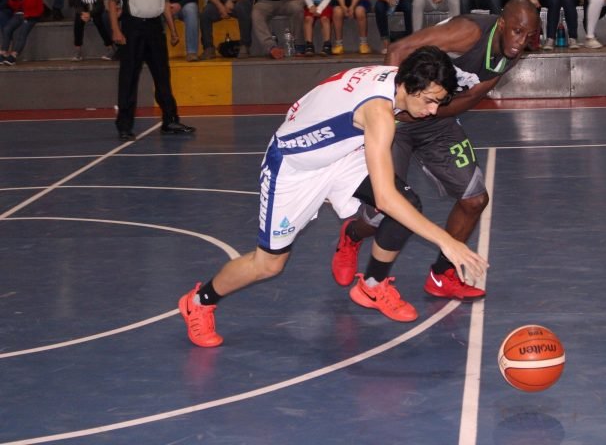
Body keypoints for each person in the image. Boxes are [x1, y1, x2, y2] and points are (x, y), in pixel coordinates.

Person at [178, 46, 489, 346]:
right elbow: (383, 199)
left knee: (407, 204)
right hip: (294, 166)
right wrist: (448, 242)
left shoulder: (403, 77)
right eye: (430, 101)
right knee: (268, 264)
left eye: (439, 102)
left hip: (340, 153)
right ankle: (199, 301)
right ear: (408, 85)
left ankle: (371, 285)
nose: (433, 110)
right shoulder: (378, 112)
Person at [330, 0, 539, 301]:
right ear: (502, 25)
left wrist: (429, 111)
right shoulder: (469, 33)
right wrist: (387, 106)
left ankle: (442, 275)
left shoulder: (512, 51)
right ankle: (352, 235)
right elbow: (400, 50)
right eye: (518, 31)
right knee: (382, 208)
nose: (522, 41)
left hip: (435, 118)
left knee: (474, 199)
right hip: (398, 116)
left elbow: (471, 98)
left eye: (528, 35)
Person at [108, 0, 196, 141]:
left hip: (156, 28)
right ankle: (125, 125)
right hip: (132, 28)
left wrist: (173, 30)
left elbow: (164, 1)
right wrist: (116, 30)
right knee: (129, 77)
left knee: (163, 76)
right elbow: (112, 1)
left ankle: (170, 120)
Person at [1, 0, 43, 65]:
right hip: (19, 14)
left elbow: (30, 5)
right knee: (7, 29)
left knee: (22, 33)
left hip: (31, 15)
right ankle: (3, 52)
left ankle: (14, 55)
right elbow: (14, 6)